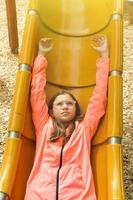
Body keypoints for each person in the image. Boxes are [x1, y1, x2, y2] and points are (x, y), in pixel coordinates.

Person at [24, 34, 109, 200]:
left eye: (70, 104)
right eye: (60, 104)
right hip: (39, 194)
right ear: (51, 110)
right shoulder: (43, 125)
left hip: (78, 194)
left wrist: (104, 56)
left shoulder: (84, 129)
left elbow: (99, 98)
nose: (65, 106)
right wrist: (41, 55)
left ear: (76, 109)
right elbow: (37, 92)